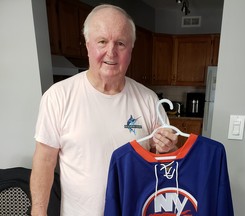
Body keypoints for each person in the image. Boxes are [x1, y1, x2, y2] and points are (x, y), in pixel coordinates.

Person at [30, 4, 178, 216]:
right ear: (88, 45)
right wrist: (38, 211)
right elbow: (44, 161)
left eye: (120, 43)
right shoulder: (58, 96)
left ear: (131, 49)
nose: (111, 52)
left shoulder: (148, 99)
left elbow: (168, 163)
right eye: (102, 41)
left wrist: (168, 149)